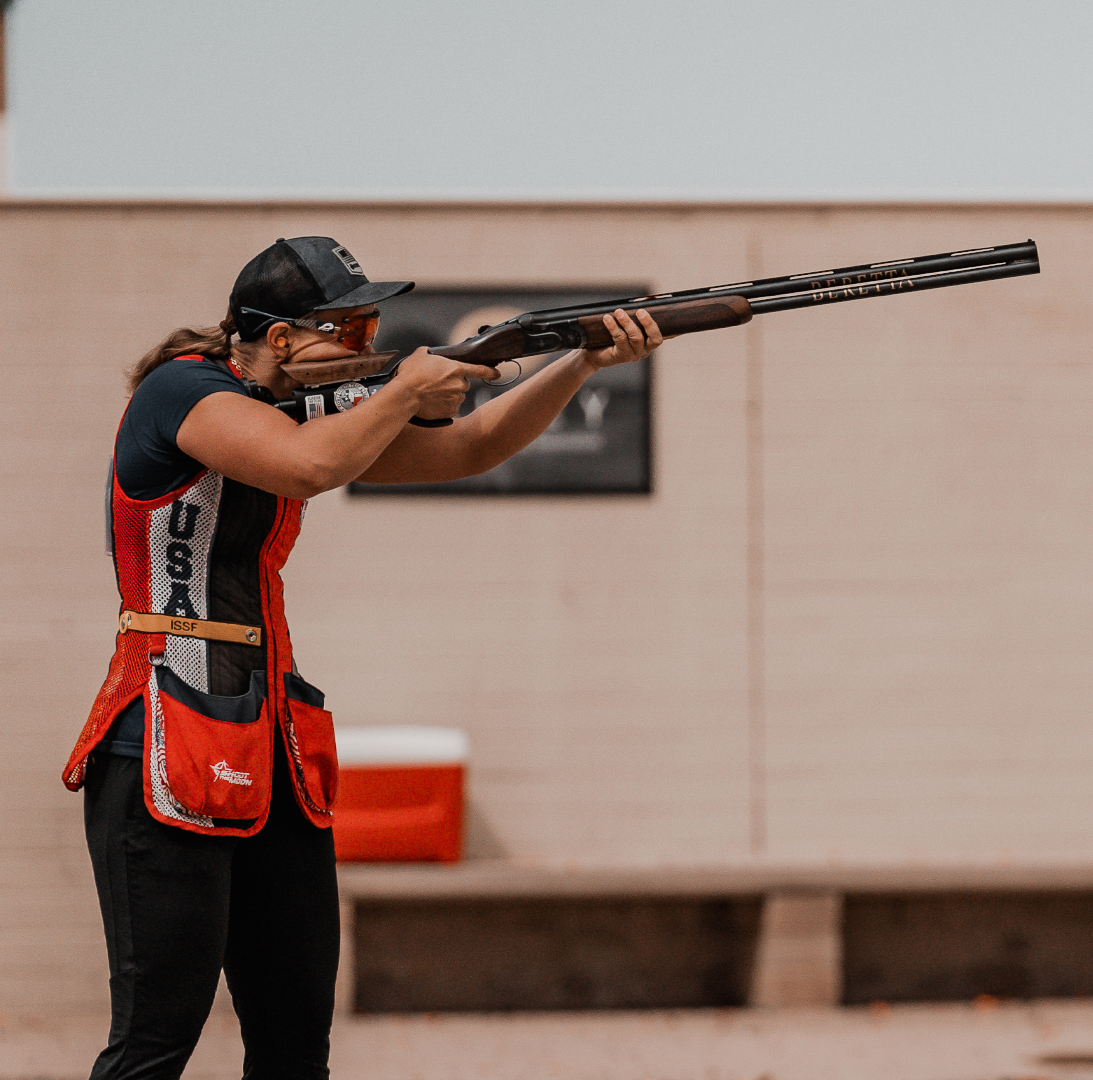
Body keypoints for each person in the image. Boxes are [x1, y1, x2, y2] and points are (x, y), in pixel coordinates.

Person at [60, 237, 661, 1080]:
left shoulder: (297, 409)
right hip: (165, 739)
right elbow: (311, 469)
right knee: (157, 1041)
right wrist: (407, 389)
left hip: (269, 745)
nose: (364, 343)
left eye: (368, 324)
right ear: (277, 340)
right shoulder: (182, 392)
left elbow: (468, 450)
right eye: (346, 326)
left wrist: (578, 366)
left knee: (297, 1041)